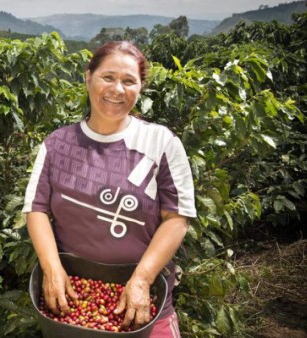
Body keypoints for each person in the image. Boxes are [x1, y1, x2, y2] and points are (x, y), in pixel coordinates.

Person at [23, 41, 196, 337]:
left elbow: (177, 218)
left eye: (129, 81)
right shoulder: (57, 144)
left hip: (142, 304)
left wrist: (141, 280)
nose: (117, 89)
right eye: (108, 77)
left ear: (141, 87)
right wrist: (51, 269)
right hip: (72, 300)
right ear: (88, 76)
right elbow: (36, 209)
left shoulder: (161, 143)